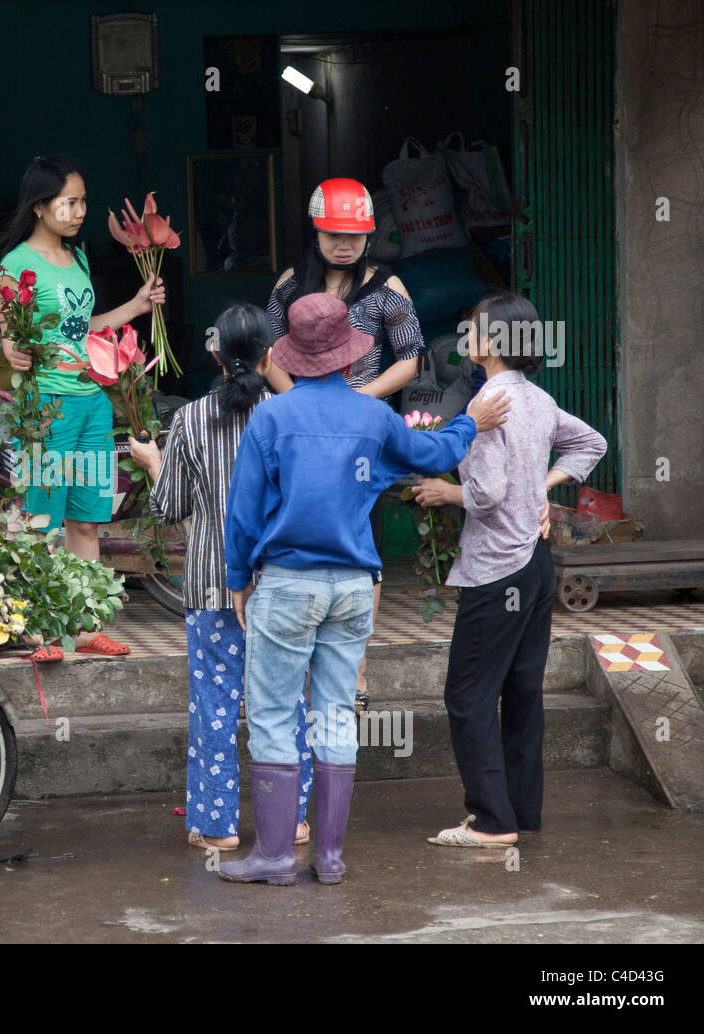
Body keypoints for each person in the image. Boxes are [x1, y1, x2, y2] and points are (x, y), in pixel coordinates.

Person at [219, 292, 508, 886]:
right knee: (335, 716)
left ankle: (274, 856)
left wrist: (237, 579)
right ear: (351, 360)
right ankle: (328, 857)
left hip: (289, 584)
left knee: (275, 715)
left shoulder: (272, 417)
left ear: (290, 358)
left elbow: (243, 511)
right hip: (354, 586)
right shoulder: (372, 416)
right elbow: (433, 452)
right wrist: (469, 423)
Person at [413, 292, 606, 847]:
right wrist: (540, 489)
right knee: (522, 690)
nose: (465, 332)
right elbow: (591, 443)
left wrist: (448, 490)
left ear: (492, 342)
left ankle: (492, 822)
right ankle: (521, 813)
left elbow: (488, 491)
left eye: (471, 327)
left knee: (468, 694)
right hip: (537, 567)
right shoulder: (538, 399)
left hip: (496, 567)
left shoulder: (486, 404)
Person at [129, 304, 312, 852]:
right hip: (280, 581)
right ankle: (294, 821)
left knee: (214, 705)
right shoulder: (289, 414)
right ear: (270, 354)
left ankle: (216, 827)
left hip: (210, 582)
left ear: (214, 354)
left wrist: (152, 462)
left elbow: (171, 506)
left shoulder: (187, 420)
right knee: (284, 704)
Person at [266, 178, 436, 710]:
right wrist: (303, 407)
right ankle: (297, 672)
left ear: (370, 235)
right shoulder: (291, 286)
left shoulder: (391, 288)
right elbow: (268, 353)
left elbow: (411, 360)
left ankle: (356, 672)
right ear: (316, 231)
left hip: (365, 435)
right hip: (299, 432)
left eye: (355, 235)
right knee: (298, 536)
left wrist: (358, 399)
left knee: (364, 546)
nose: (344, 244)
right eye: (334, 234)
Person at [0, 154, 165, 659]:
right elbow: (10, 341)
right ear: (41, 206)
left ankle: (86, 627)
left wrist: (135, 305)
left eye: (83, 201)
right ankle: (41, 631)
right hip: (45, 407)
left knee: (87, 522)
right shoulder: (14, 266)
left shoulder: (80, 259)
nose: (80, 210)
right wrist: (12, 351)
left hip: (92, 403)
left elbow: (82, 328)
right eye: (71, 201)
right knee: (42, 522)